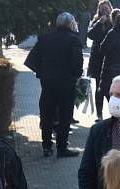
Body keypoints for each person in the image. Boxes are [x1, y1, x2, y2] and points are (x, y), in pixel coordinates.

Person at [24, 12, 84, 158]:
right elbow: (77, 63)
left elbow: (32, 59)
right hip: (66, 82)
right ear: (71, 24)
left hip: (48, 81)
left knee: (47, 113)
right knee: (65, 115)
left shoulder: (45, 38)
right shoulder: (73, 40)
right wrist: (76, 75)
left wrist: (42, 73)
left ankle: (46, 146)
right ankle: (62, 147)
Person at [98, 9, 120, 114]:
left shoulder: (112, 33)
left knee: (105, 90)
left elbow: (103, 49)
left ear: (112, 19)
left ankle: (113, 113)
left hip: (111, 65)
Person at [87, 1, 114, 122]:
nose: (105, 10)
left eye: (106, 8)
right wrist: (100, 22)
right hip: (98, 59)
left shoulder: (115, 20)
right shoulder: (96, 21)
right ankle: (99, 114)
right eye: (102, 8)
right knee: (99, 87)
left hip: (111, 59)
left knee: (112, 87)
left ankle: (115, 111)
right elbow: (90, 35)